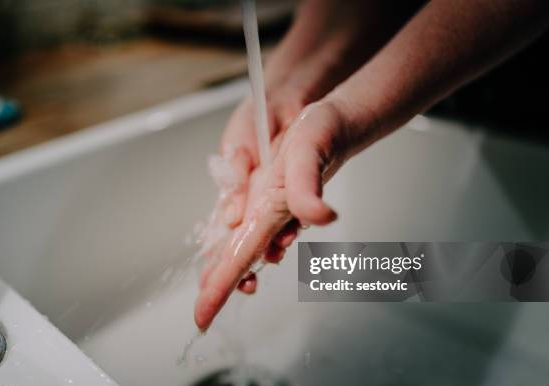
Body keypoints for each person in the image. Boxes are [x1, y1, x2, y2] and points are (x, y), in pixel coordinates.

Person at [194, 0, 549, 331]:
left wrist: (350, 112)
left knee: (511, 288)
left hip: (529, 114)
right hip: (402, 94)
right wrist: (287, 88)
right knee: (421, 277)